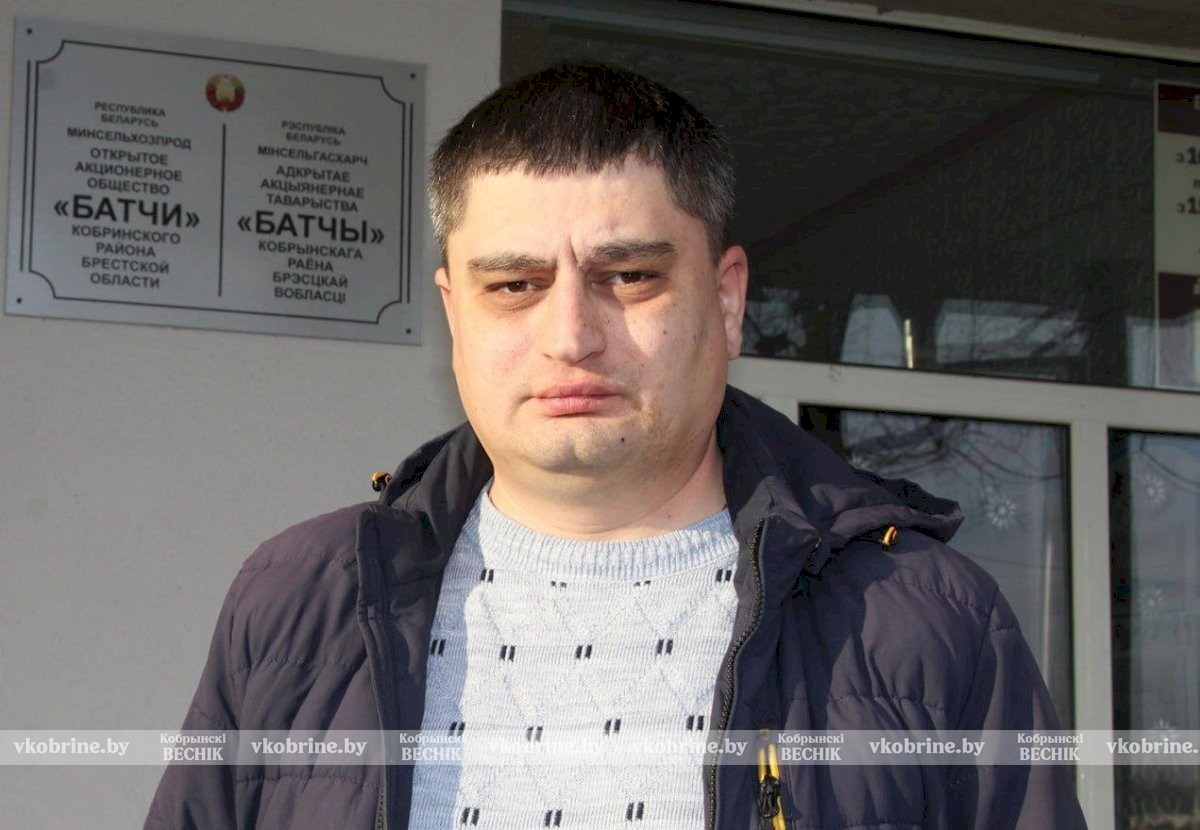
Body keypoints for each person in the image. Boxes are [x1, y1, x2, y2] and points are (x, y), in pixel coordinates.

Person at [145, 62, 1087, 829]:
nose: (570, 336)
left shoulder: (928, 621)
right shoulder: (298, 598)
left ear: (726, 299)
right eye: (513, 286)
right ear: (454, 314)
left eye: (628, 276)